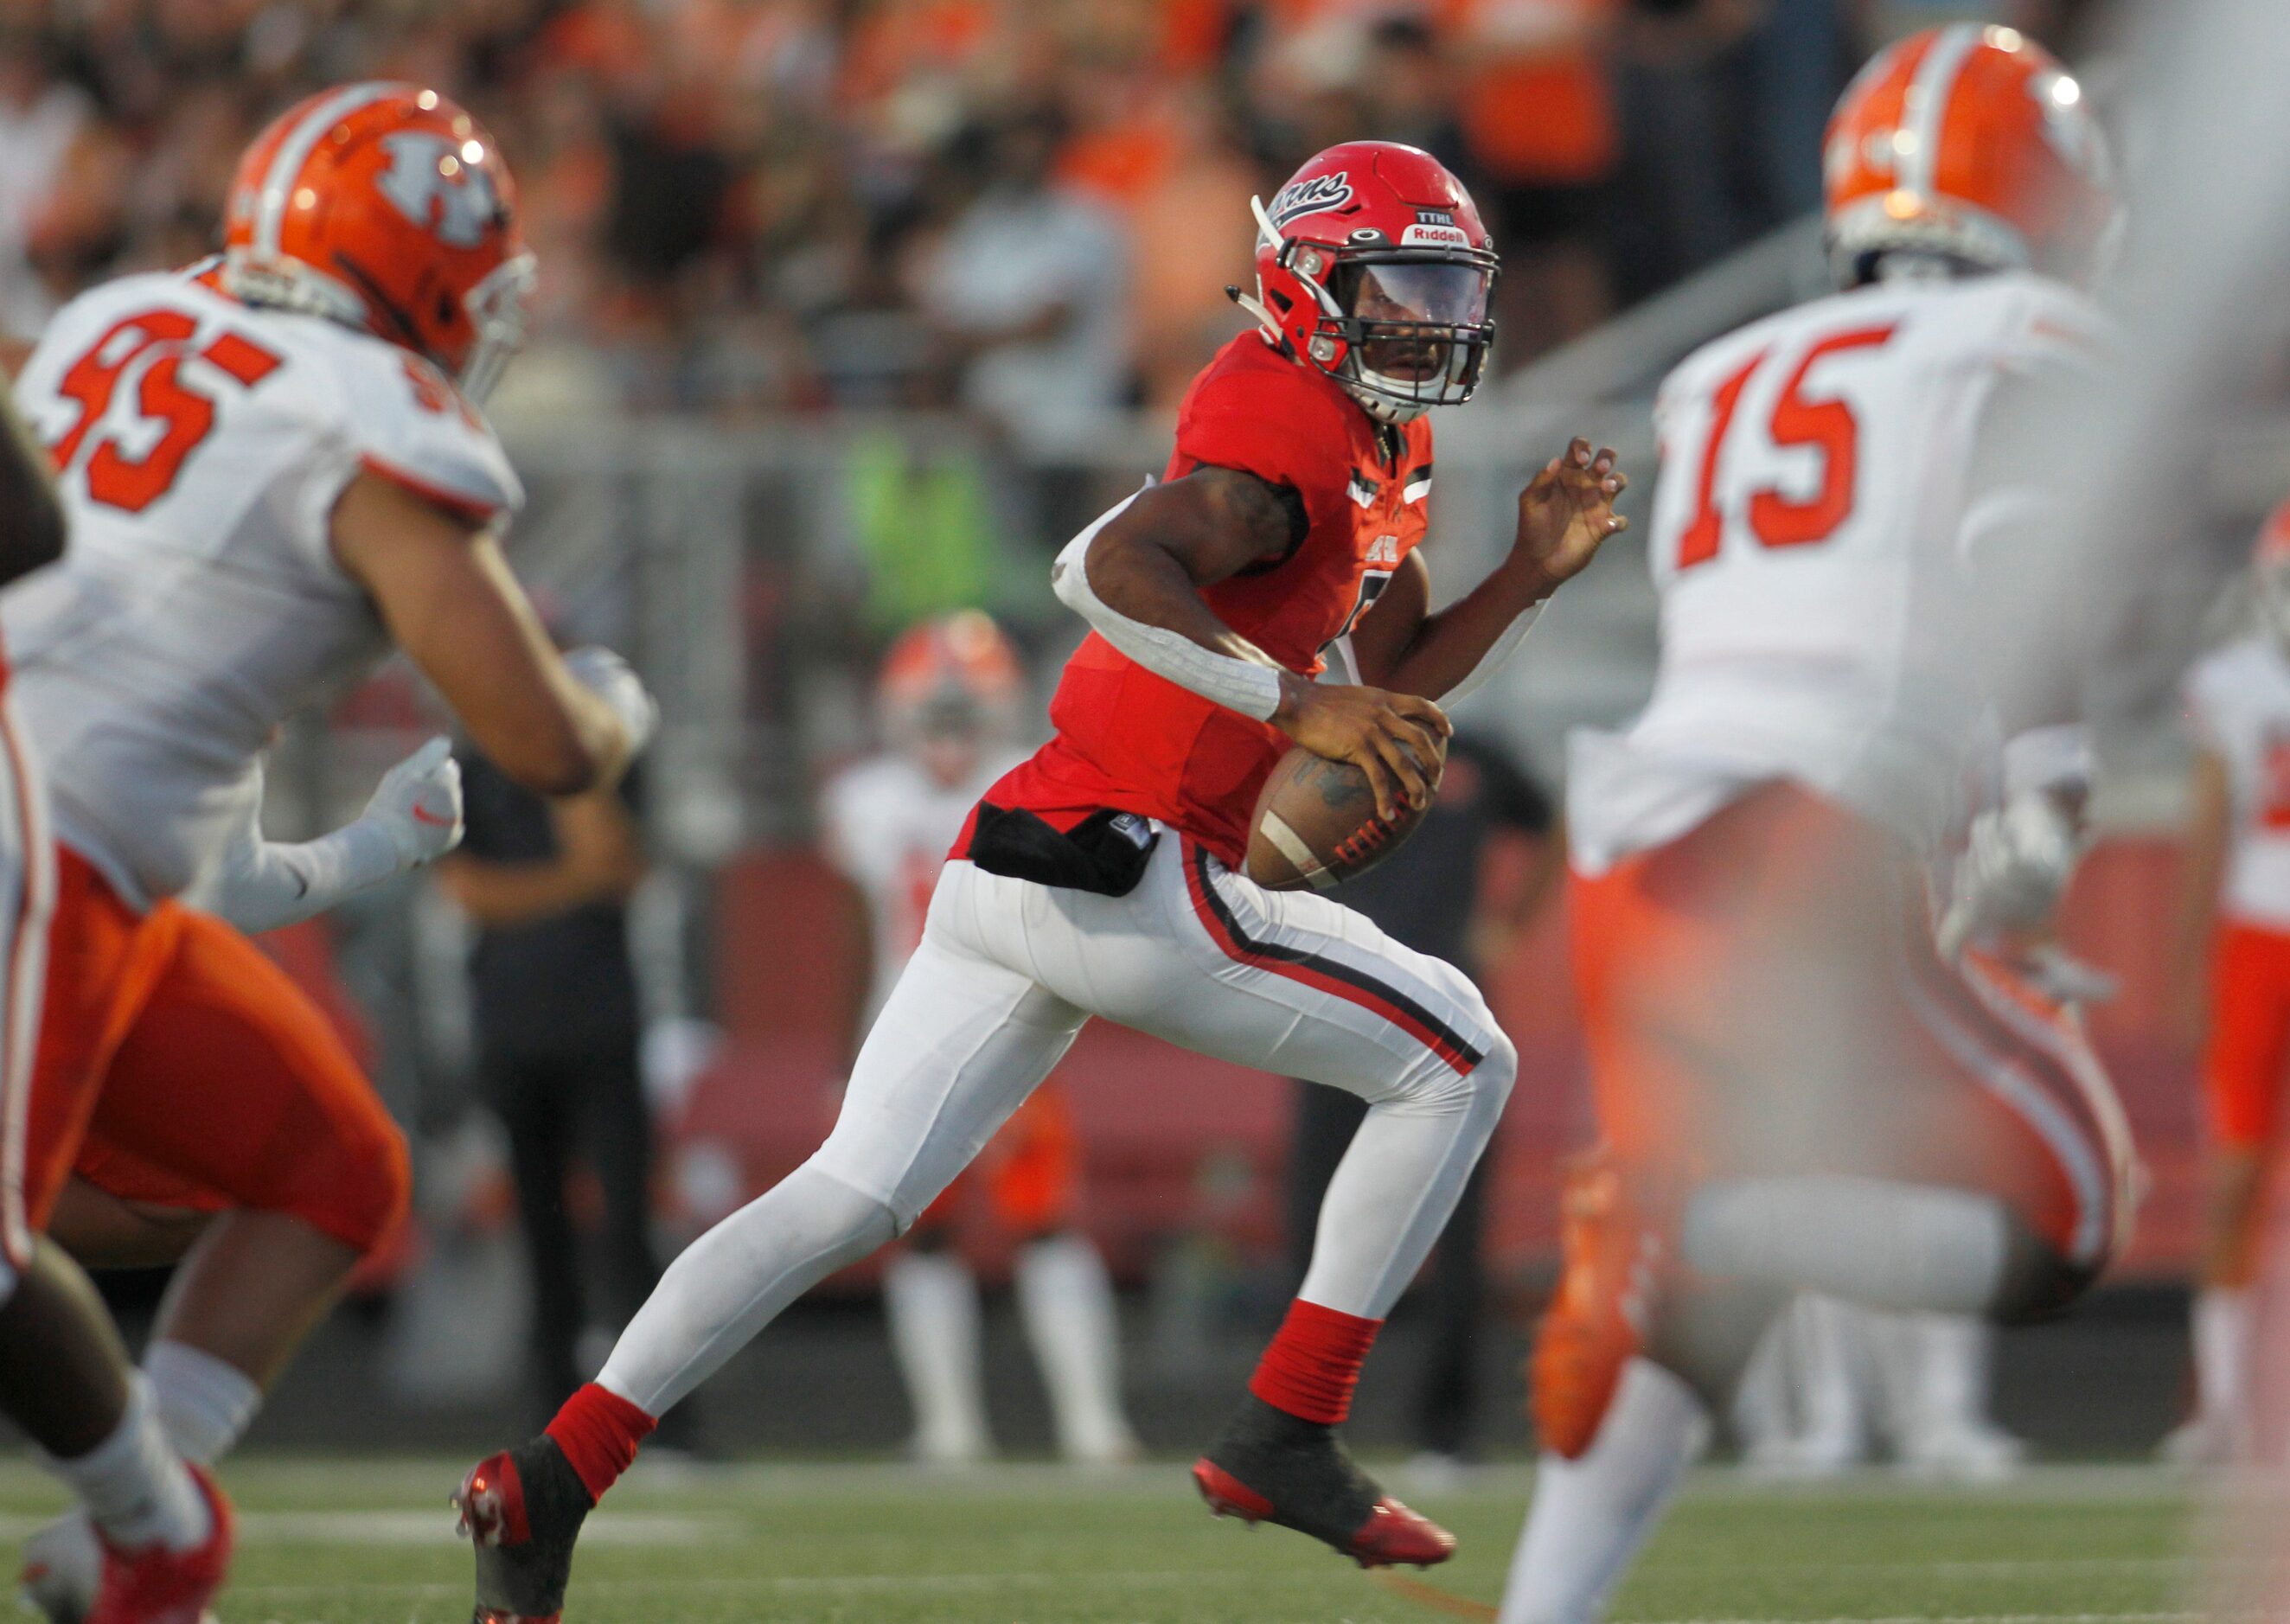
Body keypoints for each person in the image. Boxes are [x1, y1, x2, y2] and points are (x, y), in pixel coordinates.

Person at [457, 139, 1628, 1621]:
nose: (1429, 317)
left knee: (846, 1191)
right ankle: (1286, 1425)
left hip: (1027, 849)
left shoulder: (1377, 441)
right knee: (1461, 1049)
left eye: (1447, 286)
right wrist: (1289, 707)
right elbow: (1102, 568)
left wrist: (1522, 575)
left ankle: (545, 1478)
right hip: (1127, 857)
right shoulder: (1275, 411)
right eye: (1400, 282)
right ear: (1311, 282)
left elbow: (1386, 675)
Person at [1499, 29, 2134, 1624]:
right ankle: (1673, 1218)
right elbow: (2002, 546)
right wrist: (2045, 794)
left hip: (1645, 847)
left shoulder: (1727, 371)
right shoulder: (2020, 335)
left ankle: (1545, 1603)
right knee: (2064, 1200)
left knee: (1696, 1304)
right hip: (1802, 841)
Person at [1, 80, 652, 1622]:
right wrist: (606, 715)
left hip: (97, 868)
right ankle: (158, 1525)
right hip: (41, 835)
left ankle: (134, 1540)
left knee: (327, 1162)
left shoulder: (118, 323)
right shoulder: (373, 419)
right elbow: (540, 741)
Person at [822, 611, 1137, 1466]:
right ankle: (951, 1428)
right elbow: (859, 935)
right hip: (905, 1031)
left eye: (964, 714)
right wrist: (841, 1053)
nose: (949, 733)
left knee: (1042, 1221)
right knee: (917, 1227)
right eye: (936, 713)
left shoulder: (1023, 780)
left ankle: (1089, 1422)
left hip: (1012, 1027)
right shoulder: (867, 801)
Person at [1285, 732, 1557, 1482]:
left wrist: (1507, 925)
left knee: (1456, 1232)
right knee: (1317, 1221)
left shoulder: (1474, 755)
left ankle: (1448, 1429)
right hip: (1337, 1005)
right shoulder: (1324, 745)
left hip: (1447, 1015)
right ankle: (1292, 1423)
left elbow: (1553, 823)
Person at [436, 748, 665, 1433]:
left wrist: (569, 764)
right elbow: (469, 891)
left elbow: (617, 866)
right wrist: (571, 883)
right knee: (540, 1234)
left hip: (601, 1024)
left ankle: (658, 1413)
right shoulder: (470, 761)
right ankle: (555, 1416)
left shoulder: (603, 755)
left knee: (627, 1226)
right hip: (510, 1025)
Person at [2162, 498, 2290, 1465]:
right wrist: (2185, 966)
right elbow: (2207, 826)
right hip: (2253, 934)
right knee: (2235, 1175)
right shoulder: (2234, 683)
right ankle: (2221, 1407)